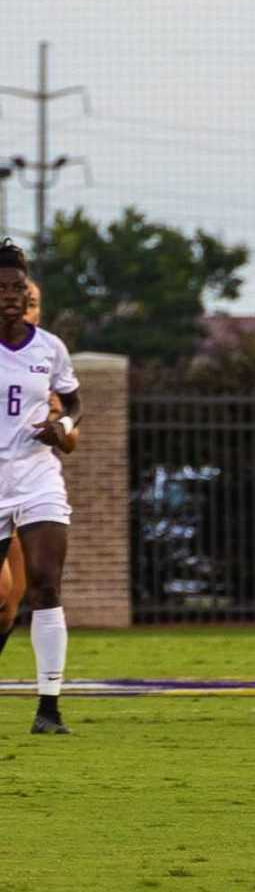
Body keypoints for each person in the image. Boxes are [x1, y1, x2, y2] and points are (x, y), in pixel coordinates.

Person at [0, 250, 80, 733]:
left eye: (17, 289)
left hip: (36, 475)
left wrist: (63, 425)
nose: (10, 298)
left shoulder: (50, 347)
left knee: (46, 582)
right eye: (1, 290)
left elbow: (73, 402)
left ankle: (48, 709)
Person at [0, 276, 53, 658]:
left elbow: (70, 433)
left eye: (31, 301)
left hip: (22, 497)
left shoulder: (43, 360)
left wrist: (60, 428)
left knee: (8, 607)